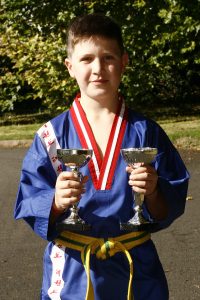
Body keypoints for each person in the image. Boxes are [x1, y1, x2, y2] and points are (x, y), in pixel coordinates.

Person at [14, 13, 190, 300]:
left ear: (124, 62)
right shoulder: (50, 136)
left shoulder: (146, 132)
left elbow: (167, 207)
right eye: (86, 59)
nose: (98, 68)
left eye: (108, 57)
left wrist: (155, 190)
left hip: (137, 269)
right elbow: (30, 198)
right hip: (72, 271)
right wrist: (56, 202)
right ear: (70, 67)